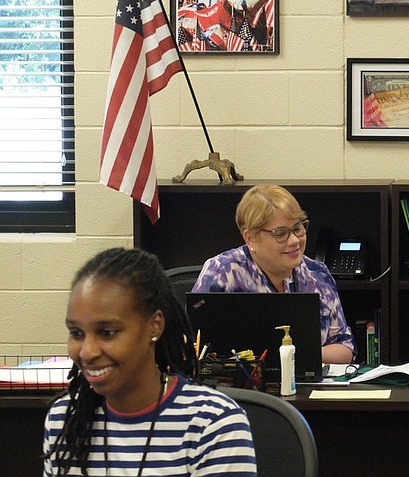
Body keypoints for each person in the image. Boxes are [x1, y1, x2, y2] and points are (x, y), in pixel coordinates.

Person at [43, 247, 257, 476]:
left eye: (107, 332)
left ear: (154, 326)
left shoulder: (213, 423)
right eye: (76, 333)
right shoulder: (65, 418)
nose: (87, 352)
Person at [192, 183, 355, 364]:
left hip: (309, 388)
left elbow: (345, 347)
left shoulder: (317, 274)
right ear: (251, 238)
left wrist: (293, 355)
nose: (294, 241)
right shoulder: (222, 272)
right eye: (281, 233)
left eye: (298, 228)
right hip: (241, 389)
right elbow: (194, 349)